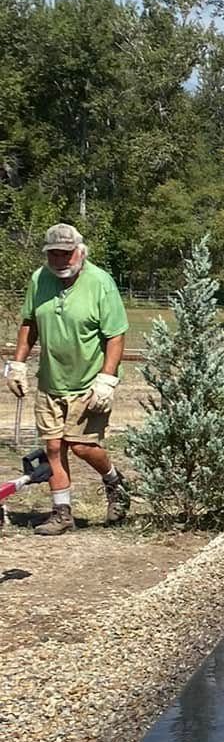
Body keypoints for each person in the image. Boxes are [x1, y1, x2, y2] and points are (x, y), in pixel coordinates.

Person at [5, 223, 131, 536]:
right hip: (51, 380)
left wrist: (106, 379)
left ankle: (116, 483)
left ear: (80, 251)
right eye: (54, 254)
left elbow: (115, 335)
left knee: (81, 446)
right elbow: (29, 323)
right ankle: (62, 513)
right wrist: (17, 365)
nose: (60, 259)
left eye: (66, 253)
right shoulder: (39, 279)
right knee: (52, 448)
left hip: (89, 381)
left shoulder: (101, 282)